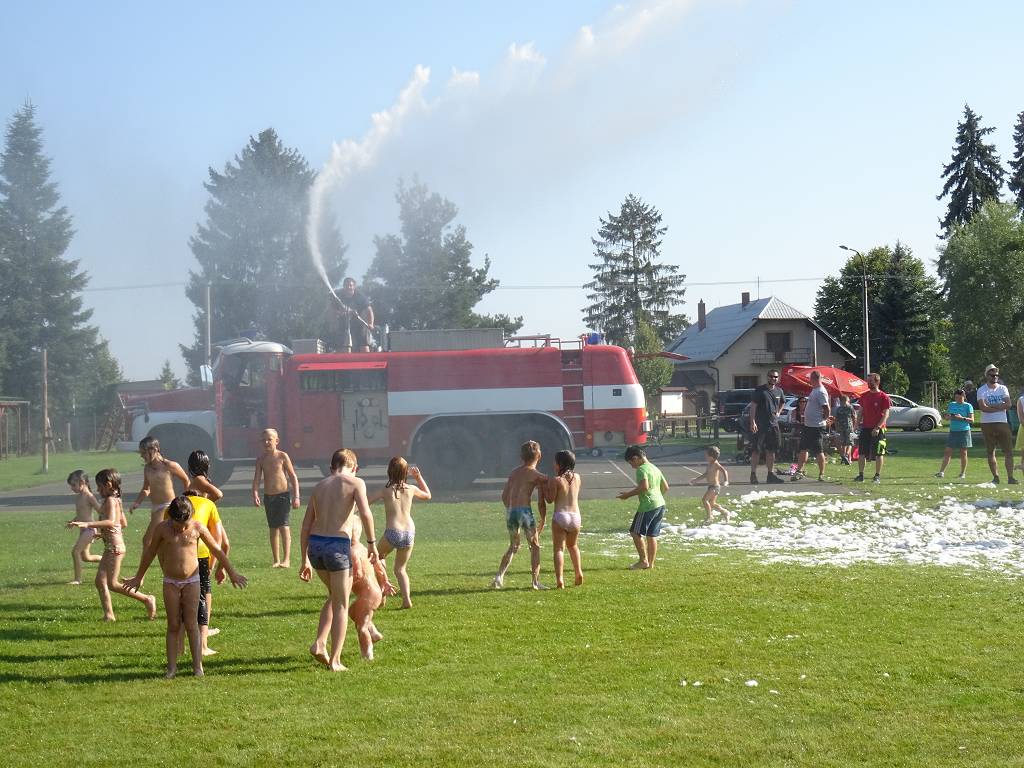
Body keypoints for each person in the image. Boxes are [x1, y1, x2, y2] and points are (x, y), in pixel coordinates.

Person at [124, 495, 247, 678]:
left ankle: (198, 667)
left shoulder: (197, 527)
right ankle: (171, 668)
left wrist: (232, 572)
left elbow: (216, 550)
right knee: (173, 625)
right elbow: (150, 552)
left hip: (192, 581)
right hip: (170, 582)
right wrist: (138, 577)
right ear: (170, 516)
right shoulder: (162, 529)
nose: (181, 528)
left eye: (184, 524)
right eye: (177, 524)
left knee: (191, 624)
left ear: (191, 516)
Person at [299, 448, 379, 672]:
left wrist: (304, 559)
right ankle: (335, 660)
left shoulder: (319, 486)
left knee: (335, 597)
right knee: (342, 604)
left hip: (316, 545)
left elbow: (305, 525)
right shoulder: (356, 483)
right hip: (337, 545)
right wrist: (372, 543)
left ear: (331, 467)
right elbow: (366, 513)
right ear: (355, 467)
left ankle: (320, 643)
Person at [67, 468, 157, 622]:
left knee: (113, 584)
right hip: (111, 546)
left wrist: (87, 524)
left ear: (108, 485)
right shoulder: (116, 500)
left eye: (99, 486)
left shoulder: (110, 500)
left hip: (115, 548)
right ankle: (109, 615)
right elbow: (123, 523)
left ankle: (147, 599)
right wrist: (103, 534)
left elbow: (111, 522)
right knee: (99, 581)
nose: (97, 490)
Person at [367, 457, 431, 609]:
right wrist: (418, 477)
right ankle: (406, 600)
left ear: (389, 471)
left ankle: (383, 594)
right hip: (409, 532)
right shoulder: (411, 488)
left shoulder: (386, 490)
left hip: (393, 532)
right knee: (400, 570)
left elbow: (366, 502)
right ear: (406, 472)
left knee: (376, 558)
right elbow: (428, 495)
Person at [493, 440, 548, 590]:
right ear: (539, 455)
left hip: (511, 512)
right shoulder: (537, 475)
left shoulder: (514, 473)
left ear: (521, 456)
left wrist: (511, 509)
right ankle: (535, 582)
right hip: (524, 512)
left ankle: (499, 576)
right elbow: (547, 492)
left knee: (513, 545)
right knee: (535, 546)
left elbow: (504, 496)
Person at [343, 512, 398, 660]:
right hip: (374, 593)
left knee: (361, 627)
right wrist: (385, 581)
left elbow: (358, 574)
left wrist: (342, 582)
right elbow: (379, 566)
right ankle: (373, 632)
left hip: (368, 595)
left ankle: (368, 655)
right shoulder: (364, 548)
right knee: (353, 612)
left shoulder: (352, 552)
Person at [130, 436, 190, 551]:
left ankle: (144, 563)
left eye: (144, 452)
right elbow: (146, 489)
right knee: (163, 540)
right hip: (155, 507)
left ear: (155, 449)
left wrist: (187, 500)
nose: (141, 456)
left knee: (147, 540)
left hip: (167, 507)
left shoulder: (170, 466)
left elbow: (186, 480)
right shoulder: (147, 468)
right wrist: (137, 503)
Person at [252, 428, 301, 568]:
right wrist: (255, 493)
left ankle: (287, 559)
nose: (266, 442)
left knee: (284, 526)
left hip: (283, 496)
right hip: (269, 497)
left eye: (270, 439)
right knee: (273, 528)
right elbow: (257, 478)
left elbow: (293, 476)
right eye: (264, 440)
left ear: (277, 441)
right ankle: (276, 559)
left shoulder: (282, 456)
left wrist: (296, 496)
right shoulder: (261, 460)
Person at [618, 445, 669, 570]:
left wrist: (627, 495)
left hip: (648, 506)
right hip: (660, 504)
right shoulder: (655, 468)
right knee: (651, 535)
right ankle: (650, 564)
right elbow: (666, 487)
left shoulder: (641, 469)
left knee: (635, 532)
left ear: (636, 458)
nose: (632, 466)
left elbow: (644, 487)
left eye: (631, 463)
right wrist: (656, 496)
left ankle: (643, 561)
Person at [542, 450, 583, 589]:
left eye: (555, 462)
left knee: (559, 549)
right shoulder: (578, 477)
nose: (554, 464)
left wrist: (544, 487)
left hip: (561, 515)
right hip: (575, 516)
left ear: (560, 464)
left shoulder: (557, 480)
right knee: (573, 546)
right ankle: (578, 572)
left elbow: (550, 499)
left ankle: (560, 579)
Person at [977, 364, 1017, 484]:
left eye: (996, 375)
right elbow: (983, 408)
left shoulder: (1003, 388)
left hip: (1002, 423)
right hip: (987, 424)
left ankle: (1010, 478)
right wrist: (1000, 407)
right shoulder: (981, 390)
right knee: (991, 451)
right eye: (992, 375)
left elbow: (1008, 404)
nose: (995, 377)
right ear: (987, 375)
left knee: (1008, 451)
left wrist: (992, 406)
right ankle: (996, 477)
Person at [792, 370, 830, 482]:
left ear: (814, 379)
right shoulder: (815, 390)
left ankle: (822, 474)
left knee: (818, 450)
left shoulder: (821, 391)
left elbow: (826, 407)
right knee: (803, 448)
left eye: (810, 379)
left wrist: (825, 418)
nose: (809, 381)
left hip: (816, 426)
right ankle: (799, 471)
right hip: (808, 425)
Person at [749, 370, 785, 484]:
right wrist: (752, 422)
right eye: (771, 376)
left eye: (776, 377)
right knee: (756, 450)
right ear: (767, 377)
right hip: (760, 425)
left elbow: (783, 402)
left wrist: (779, 412)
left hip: (773, 425)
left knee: (771, 450)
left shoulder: (779, 391)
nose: (773, 378)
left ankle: (770, 475)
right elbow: (753, 406)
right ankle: (753, 474)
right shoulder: (760, 390)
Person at [855, 372, 891, 484]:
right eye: (868, 381)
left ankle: (877, 476)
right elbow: (860, 412)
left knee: (879, 453)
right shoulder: (864, 396)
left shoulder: (884, 397)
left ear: (877, 382)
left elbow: (886, 414)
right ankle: (861, 475)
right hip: (865, 428)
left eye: (870, 381)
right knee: (861, 452)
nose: (868, 383)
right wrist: (856, 424)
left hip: (878, 429)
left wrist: (878, 427)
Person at [67, 469, 102, 585]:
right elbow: (81, 513)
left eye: (73, 485)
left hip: (90, 530)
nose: (72, 488)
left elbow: (100, 511)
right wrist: (73, 521)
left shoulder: (89, 496)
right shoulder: (79, 497)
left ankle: (77, 579)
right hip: (83, 530)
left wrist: (101, 528)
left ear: (82, 482)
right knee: (86, 557)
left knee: (75, 552)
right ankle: (107, 560)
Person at [936, 388, 974, 480]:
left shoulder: (968, 406)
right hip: (953, 431)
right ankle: (941, 472)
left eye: (960, 398)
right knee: (948, 451)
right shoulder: (952, 404)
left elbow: (972, 420)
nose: (958, 400)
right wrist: (947, 417)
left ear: (964, 397)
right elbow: (946, 416)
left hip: (964, 431)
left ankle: (962, 473)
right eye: (956, 398)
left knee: (963, 453)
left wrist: (962, 418)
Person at [689, 445, 731, 523]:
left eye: (706, 455)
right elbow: (706, 474)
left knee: (704, 500)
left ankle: (709, 517)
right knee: (712, 503)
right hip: (711, 486)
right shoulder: (710, 464)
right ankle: (725, 512)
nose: (705, 456)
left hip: (715, 487)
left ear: (711, 457)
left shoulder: (715, 464)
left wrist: (726, 481)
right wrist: (696, 480)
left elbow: (724, 471)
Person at [336, 277, 374, 353]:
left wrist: (371, 323)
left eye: (350, 285)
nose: (348, 287)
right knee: (344, 345)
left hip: (360, 323)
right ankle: (345, 359)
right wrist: (340, 313)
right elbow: (333, 310)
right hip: (344, 324)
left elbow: (369, 310)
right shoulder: (338, 296)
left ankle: (367, 360)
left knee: (363, 344)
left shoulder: (360, 296)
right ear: (343, 286)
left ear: (354, 286)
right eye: (346, 285)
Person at [833, 395, 857, 466]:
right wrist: (854, 427)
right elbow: (854, 417)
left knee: (843, 443)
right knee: (850, 443)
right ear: (847, 400)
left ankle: (844, 458)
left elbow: (836, 419)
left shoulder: (839, 408)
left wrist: (837, 428)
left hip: (841, 428)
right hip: (849, 427)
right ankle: (846, 456)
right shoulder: (850, 407)